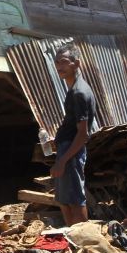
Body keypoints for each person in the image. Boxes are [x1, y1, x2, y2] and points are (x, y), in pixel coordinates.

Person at [50, 44, 96, 225]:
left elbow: (83, 134)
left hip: (72, 152)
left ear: (76, 64)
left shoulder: (79, 92)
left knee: (75, 200)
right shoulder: (74, 90)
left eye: (64, 62)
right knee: (64, 201)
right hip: (67, 148)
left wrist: (62, 161)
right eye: (57, 62)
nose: (59, 66)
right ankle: (74, 242)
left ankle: (83, 243)